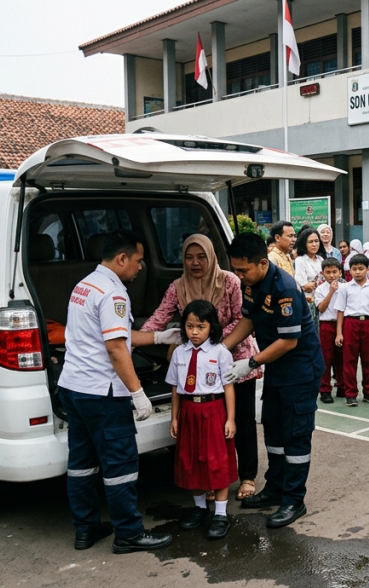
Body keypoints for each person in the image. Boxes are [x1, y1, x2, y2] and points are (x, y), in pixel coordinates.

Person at [58, 229, 176, 554]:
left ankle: (85, 529)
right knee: (120, 464)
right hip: (102, 393)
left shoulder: (85, 286)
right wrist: (138, 393)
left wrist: (159, 337)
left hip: (73, 387)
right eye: (138, 261)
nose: (140, 267)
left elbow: (117, 335)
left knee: (81, 463)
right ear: (122, 258)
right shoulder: (114, 294)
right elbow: (116, 348)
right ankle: (128, 533)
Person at [141, 234, 262, 502]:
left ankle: (248, 476)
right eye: (189, 257)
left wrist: (213, 342)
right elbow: (159, 319)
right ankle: (210, 479)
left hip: (235, 358)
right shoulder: (177, 287)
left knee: (241, 419)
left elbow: (243, 318)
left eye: (201, 256)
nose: (195, 263)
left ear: (211, 256)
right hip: (199, 366)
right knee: (210, 429)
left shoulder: (229, 281)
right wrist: (136, 339)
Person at [222, 233, 324, 529]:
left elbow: (289, 341)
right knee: (274, 430)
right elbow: (249, 319)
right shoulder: (251, 283)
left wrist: (251, 362)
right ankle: (275, 488)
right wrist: (222, 348)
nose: (239, 276)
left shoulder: (284, 288)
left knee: (295, 435)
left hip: (299, 370)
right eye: (235, 270)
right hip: (277, 368)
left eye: (243, 270)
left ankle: (293, 499)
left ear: (263, 264)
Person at [167, 300, 237, 541]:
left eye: (201, 326)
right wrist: (174, 418)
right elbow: (175, 388)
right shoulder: (179, 353)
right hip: (189, 411)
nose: (194, 332)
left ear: (211, 327)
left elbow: (228, 387)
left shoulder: (221, 353)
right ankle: (199, 508)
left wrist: (230, 419)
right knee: (191, 459)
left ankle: (220, 514)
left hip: (213, 410)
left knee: (216, 460)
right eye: (189, 326)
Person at [334, 254, 369, 407]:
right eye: (354, 269)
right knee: (349, 360)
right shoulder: (345, 288)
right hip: (350, 324)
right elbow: (340, 311)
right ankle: (350, 394)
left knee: (368, 360)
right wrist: (339, 333)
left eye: (361, 268)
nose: (358, 272)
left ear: (368, 270)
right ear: (350, 270)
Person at [314, 257, 344, 404]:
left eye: (334, 272)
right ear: (323, 273)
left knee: (342, 357)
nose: (332, 275)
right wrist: (331, 292)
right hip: (326, 324)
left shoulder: (345, 287)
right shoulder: (320, 289)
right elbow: (321, 308)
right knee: (326, 357)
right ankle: (325, 389)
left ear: (340, 272)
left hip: (343, 324)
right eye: (328, 272)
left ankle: (342, 386)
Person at [294, 227, 325, 305]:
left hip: (322, 298)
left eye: (316, 241)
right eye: (310, 242)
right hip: (308, 300)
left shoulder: (320, 259)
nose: (314, 244)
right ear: (304, 243)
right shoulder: (300, 260)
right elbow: (304, 285)